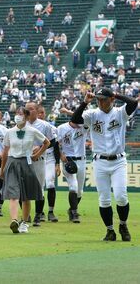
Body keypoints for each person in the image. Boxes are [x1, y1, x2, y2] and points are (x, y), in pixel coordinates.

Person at [71, 87, 137, 241]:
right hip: (100, 161)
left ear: (112, 99)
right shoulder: (92, 114)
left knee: (121, 196)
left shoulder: (120, 113)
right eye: (98, 99)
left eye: (104, 99)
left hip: (119, 161)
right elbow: (74, 120)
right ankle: (110, 231)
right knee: (104, 199)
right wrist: (84, 103)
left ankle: (123, 225)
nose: (100, 102)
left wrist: (116, 94)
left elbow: (134, 102)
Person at [0, 107, 50, 234]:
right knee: (13, 193)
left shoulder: (32, 131)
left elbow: (46, 142)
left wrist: (37, 155)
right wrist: (2, 170)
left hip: (26, 163)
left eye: (21, 114)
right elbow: (5, 151)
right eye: (17, 114)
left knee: (26, 196)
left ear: (26, 117)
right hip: (12, 162)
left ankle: (25, 222)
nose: (18, 116)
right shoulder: (9, 132)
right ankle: (14, 220)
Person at [25, 102, 57, 226]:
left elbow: (53, 142)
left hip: (39, 160)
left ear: (37, 111)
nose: (29, 111)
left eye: (31, 109)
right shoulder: (22, 125)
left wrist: (39, 148)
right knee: (24, 189)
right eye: (27, 109)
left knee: (39, 189)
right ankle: (26, 216)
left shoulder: (44, 125)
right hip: (24, 160)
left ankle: (38, 216)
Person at [57, 116, 88, 223]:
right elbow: (55, 143)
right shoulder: (62, 128)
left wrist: (66, 111)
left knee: (80, 191)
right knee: (73, 186)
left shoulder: (84, 127)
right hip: (68, 161)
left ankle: (71, 209)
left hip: (82, 160)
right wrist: (60, 155)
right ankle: (75, 213)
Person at [37, 106, 61, 223]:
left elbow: (56, 146)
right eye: (39, 113)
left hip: (50, 158)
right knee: (40, 186)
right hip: (38, 158)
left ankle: (51, 212)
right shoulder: (31, 127)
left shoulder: (50, 127)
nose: (41, 115)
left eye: (42, 113)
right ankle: (40, 212)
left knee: (50, 183)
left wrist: (57, 163)